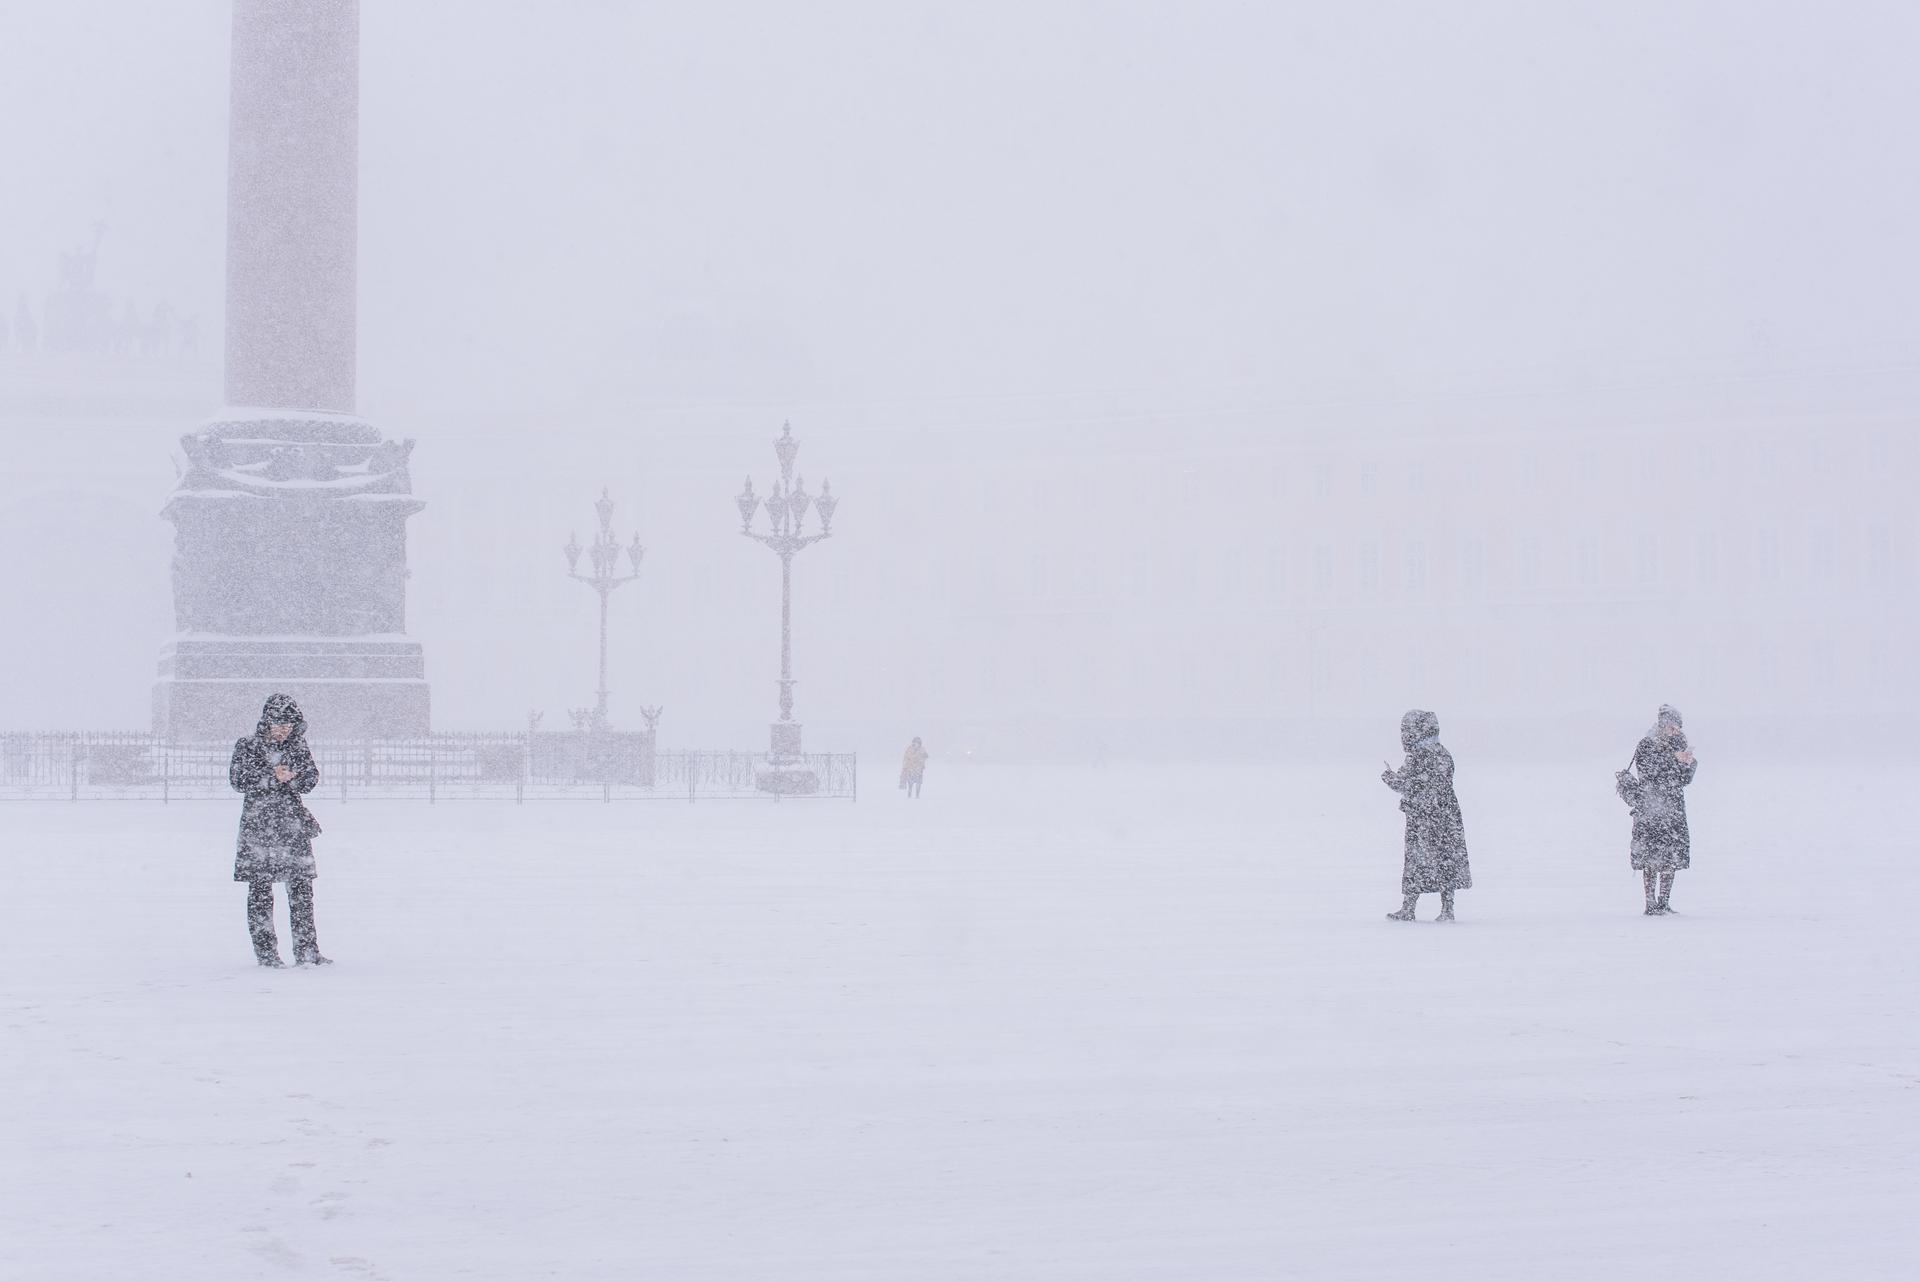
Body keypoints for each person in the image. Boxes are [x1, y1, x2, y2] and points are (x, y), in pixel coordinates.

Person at [229, 694, 329, 966]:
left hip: (292, 826)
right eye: (278, 723)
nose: (284, 728)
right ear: (267, 722)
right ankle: (266, 954)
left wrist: (295, 776)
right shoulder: (248, 746)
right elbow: (238, 780)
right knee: (260, 892)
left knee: (301, 891)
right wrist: (271, 776)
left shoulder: (298, 747)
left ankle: (307, 951)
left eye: (289, 723)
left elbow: (311, 778)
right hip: (259, 827)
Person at [1380, 709, 1472, 922]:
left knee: (1416, 861)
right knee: (1446, 859)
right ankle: (1447, 909)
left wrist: (1389, 778)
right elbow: (1432, 783)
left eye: (1406, 731)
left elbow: (1411, 785)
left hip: (1423, 818)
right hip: (1446, 816)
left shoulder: (1419, 756)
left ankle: (1408, 908)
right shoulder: (1442, 752)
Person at [1618, 704, 1697, 915]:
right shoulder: (1646, 744)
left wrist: (1689, 763)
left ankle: (1664, 902)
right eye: (1672, 727)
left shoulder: (1680, 744)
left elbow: (1683, 779)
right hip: (1651, 808)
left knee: (1671, 857)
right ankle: (1650, 903)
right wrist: (1674, 759)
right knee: (1651, 858)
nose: (1676, 731)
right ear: (1663, 725)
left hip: (1673, 809)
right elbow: (1649, 773)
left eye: (1678, 727)